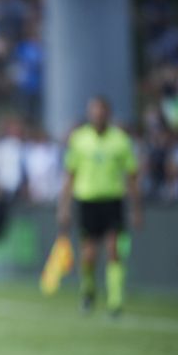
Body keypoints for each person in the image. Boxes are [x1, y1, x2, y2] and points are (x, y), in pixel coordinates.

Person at [57, 96, 142, 316]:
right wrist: (64, 206)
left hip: (112, 200)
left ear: (108, 114)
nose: (97, 115)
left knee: (114, 250)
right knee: (89, 255)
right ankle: (88, 290)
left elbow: (131, 176)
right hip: (87, 201)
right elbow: (69, 174)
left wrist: (136, 208)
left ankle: (115, 302)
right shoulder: (79, 139)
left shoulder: (120, 140)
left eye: (101, 111)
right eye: (93, 111)